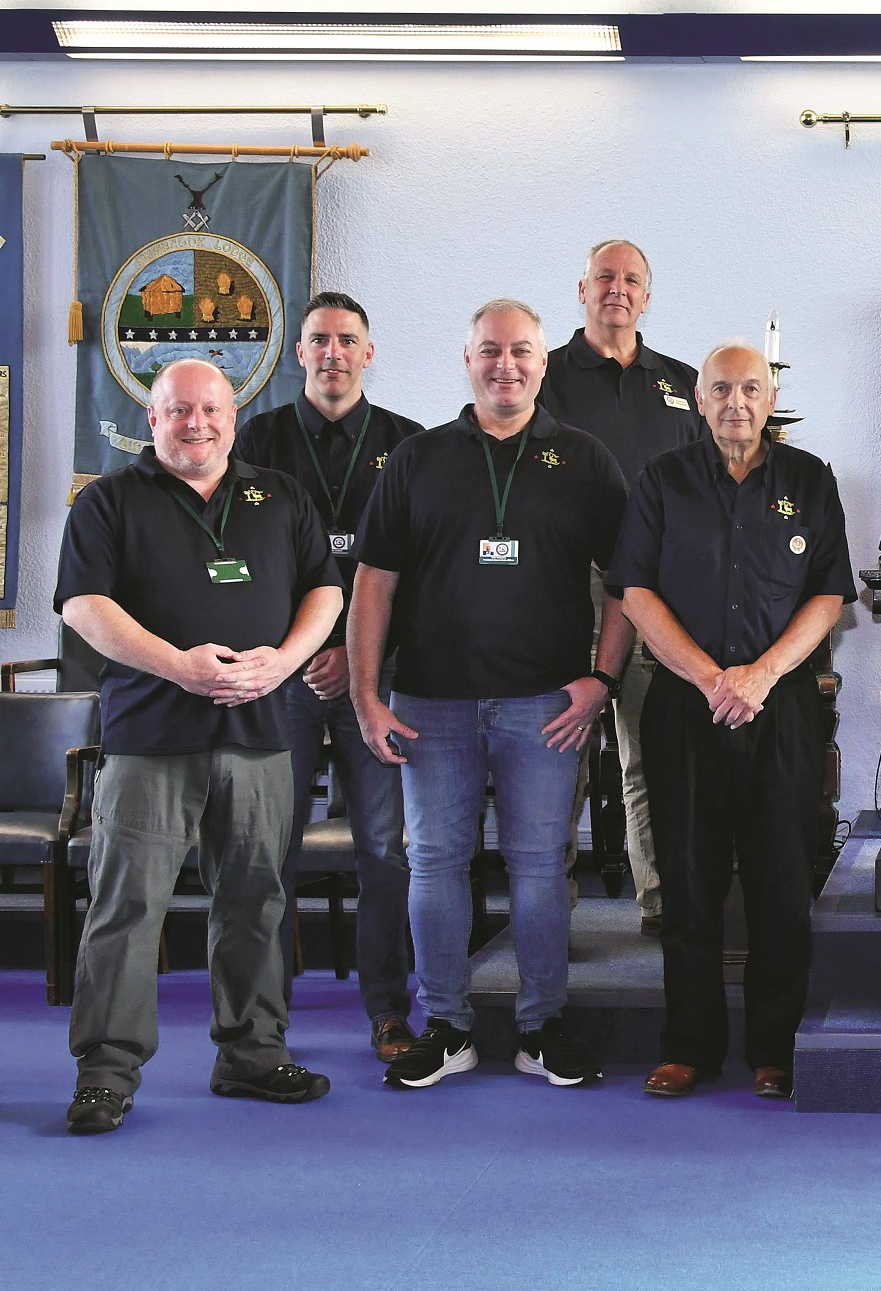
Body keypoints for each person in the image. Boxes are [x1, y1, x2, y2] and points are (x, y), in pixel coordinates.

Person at [56, 359, 343, 1134]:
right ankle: (106, 1072)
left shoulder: (280, 494)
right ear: (152, 420)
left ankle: (252, 1053)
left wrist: (284, 660)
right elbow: (84, 607)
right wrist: (177, 665)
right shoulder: (109, 500)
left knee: (256, 901)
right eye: (179, 410)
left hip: (260, 735)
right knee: (127, 905)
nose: (197, 423)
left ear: (233, 415)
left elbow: (326, 586)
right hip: (151, 736)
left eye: (211, 409)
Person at [349, 299, 630, 1091]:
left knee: (540, 867)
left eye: (521, 352)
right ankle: (446, 1025)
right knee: (436, 862)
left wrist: (602, 679)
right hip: (429, 705)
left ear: (544, 364)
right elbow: (372, 583)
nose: (505, 365)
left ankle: (543, 1025)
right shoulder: (417, 458)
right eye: (489, 351)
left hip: (544, 705)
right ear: (465, 358)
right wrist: (368, 695)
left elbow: (628, 583)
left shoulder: (585, 459)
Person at [609, 340, 855, 1102]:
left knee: (783, 884)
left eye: (750, 389)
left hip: (778, 710)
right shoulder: (662, 480)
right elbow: (635, 592)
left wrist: (763, 673)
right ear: (700, 398)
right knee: (688, 883)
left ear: (769, 397)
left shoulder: (810, 480)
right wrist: (713, 676)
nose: (736, 403)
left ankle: (774, 1048)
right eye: (721, 390)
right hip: (687, 705)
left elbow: (827, 595)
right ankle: (690, 1046)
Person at [234, 291, 426, 1061]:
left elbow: (423, 571)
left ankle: (387, 1011)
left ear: (369, 352)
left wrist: (356, 654)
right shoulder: (258, 438)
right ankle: (264, 1021)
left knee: (382, 850)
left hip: (372, 684)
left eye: (349, 339)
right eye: (320, 340)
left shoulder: (409, 444)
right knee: (270, 849)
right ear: (300, 353)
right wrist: (295, 650)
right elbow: (242, 562)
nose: (334, 353)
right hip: (283, 679)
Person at [537, 239, 705, 935]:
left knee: (651, 749)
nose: (617, 288)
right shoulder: (541, 376)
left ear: (648, 293)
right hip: (566, 584)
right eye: (604, 277)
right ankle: (549, 908)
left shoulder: (682, 381)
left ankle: (662, 902)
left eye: (631, 278)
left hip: (654, 588)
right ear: (581, 290)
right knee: (560, 753)